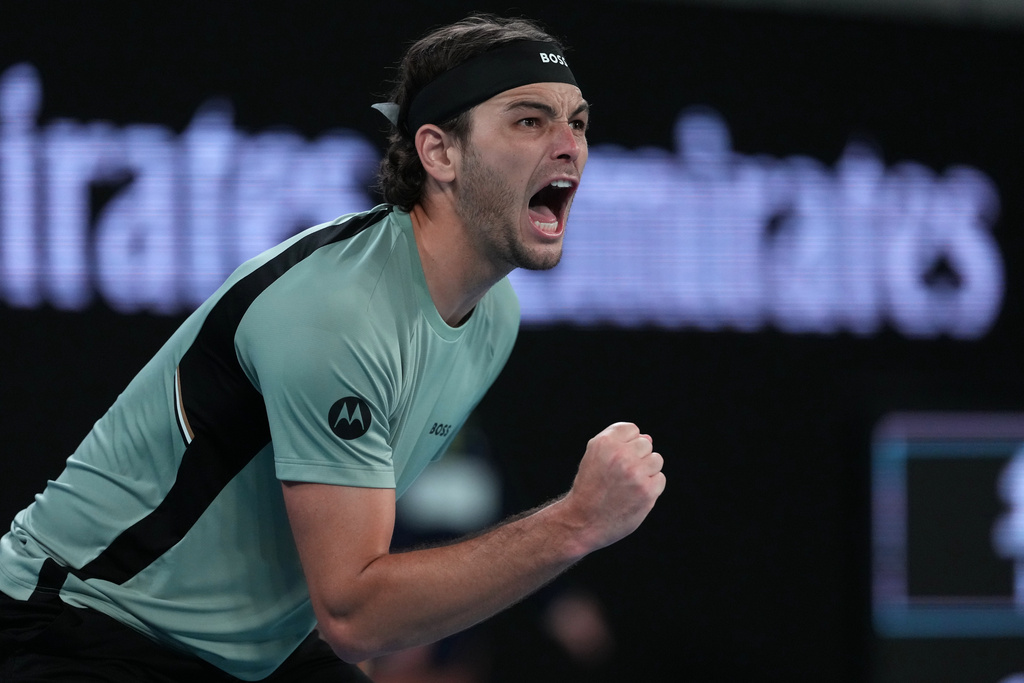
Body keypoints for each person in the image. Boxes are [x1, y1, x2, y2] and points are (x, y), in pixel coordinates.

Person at [0, 13, 666, 682]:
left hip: (253, 652)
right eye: (529, 120)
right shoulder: (338, 313)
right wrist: (575, 523)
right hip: (82, 624)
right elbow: (355, 614)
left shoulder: (494, 315)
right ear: (439, 153)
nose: (569, 146)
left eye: (577, 121)